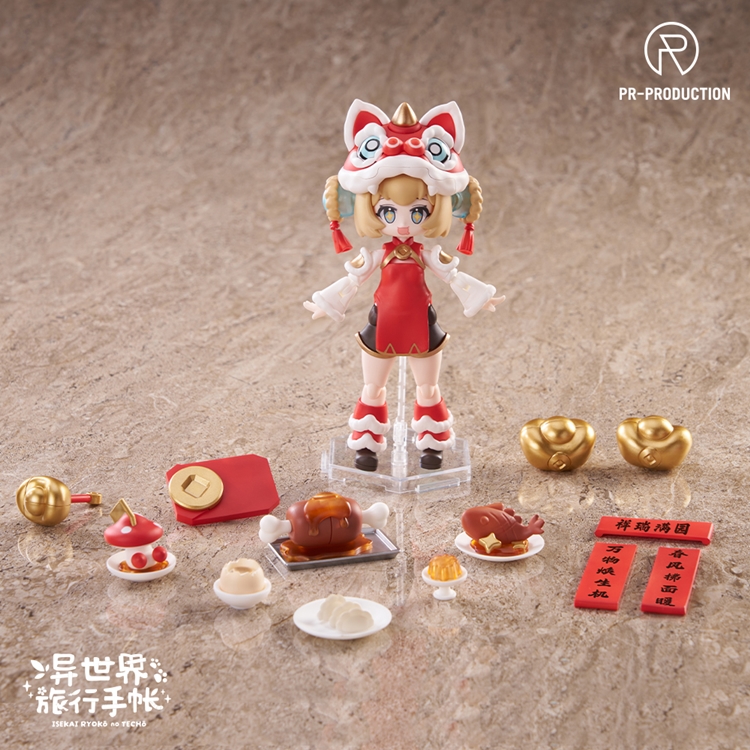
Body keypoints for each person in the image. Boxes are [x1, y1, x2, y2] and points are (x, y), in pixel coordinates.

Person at [305, 100, 503, 471]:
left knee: (428, 388)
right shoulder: (377, 255)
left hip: (423, 326)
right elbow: (352, 279)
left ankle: (431, 446)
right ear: (368, 208)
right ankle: (367, 446)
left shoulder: (426, 254)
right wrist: (327, 303)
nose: (401, 222)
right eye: (387, 211)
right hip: (380, 324)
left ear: (436, 208)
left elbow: (453, 276)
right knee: (372, 387)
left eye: (417, 212)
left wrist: (481, 296)